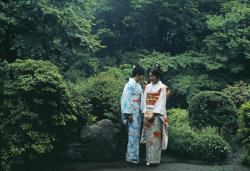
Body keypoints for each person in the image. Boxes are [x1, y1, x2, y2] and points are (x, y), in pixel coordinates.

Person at [140, 64, 168, 166]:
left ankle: (155, 160)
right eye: (150, 76)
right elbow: (144, 99)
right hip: (147, 113)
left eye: (152, 76)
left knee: (155, 138)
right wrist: (144, 113)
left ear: (157, 76)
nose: (150, 78)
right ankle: (149, 159)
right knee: (149, 138)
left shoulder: (162, 87)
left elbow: (161, 102)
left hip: (156, 115)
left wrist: (153, 114)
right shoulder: (147, 87)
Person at [121, 64, 146, 164]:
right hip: (132, 112)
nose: (144, 77)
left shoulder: (138, 85)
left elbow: (141, 97)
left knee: (136, 135)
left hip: (137, 112)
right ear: (138, 75)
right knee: (132, 135)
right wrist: (129, 113)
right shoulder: (130, 85)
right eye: (143, 75)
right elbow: (126, 99)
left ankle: (134, 156)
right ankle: (131, 157)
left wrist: (144, 88)